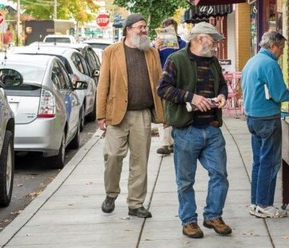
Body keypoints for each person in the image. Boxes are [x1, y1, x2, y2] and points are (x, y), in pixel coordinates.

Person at [157, 22, 232, 239]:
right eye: (213, 39)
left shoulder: (213, 61)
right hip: (187, 129)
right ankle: (189, 221)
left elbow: (222, 85)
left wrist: (222, 96)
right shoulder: (176, 60)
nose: (217, 44)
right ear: (200, 39)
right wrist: (191, 97)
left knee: (220, 174)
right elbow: (163, 89)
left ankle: (213, 215)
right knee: (185, 180)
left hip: (212, 127)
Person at [96, 13, 164, 219]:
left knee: (140, 161)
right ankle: (111, 194)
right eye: (140, 27)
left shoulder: (151, 52)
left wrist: (163, 113)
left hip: (142, 114)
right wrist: (101, 115)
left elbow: (160, 82)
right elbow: (103, 84)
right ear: (128, 29)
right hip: (117, 114)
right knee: (113, 155)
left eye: (145, 27)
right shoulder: (111, 52)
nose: (144, 30)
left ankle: (135, 204)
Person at [241, 31, 289, 219]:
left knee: (259, 161)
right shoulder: (270, 64)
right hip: (267, 118)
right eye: (282, 48)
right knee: (270, 162)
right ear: (273, 46)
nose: (282, 52)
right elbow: (279, 94)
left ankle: (255, 203)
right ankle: (265, 204)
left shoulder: (252, 61)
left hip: (252, 117)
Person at [153, 17, 187, 155]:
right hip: (163, 80)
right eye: (165, 30)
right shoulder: (157, 46)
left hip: (179, 80)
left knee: (178, 109)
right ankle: (165, 142)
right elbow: (151, 61)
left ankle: (174, 140)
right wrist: (156, 47)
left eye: (171, 30)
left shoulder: (183, 44)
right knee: (164, 111)